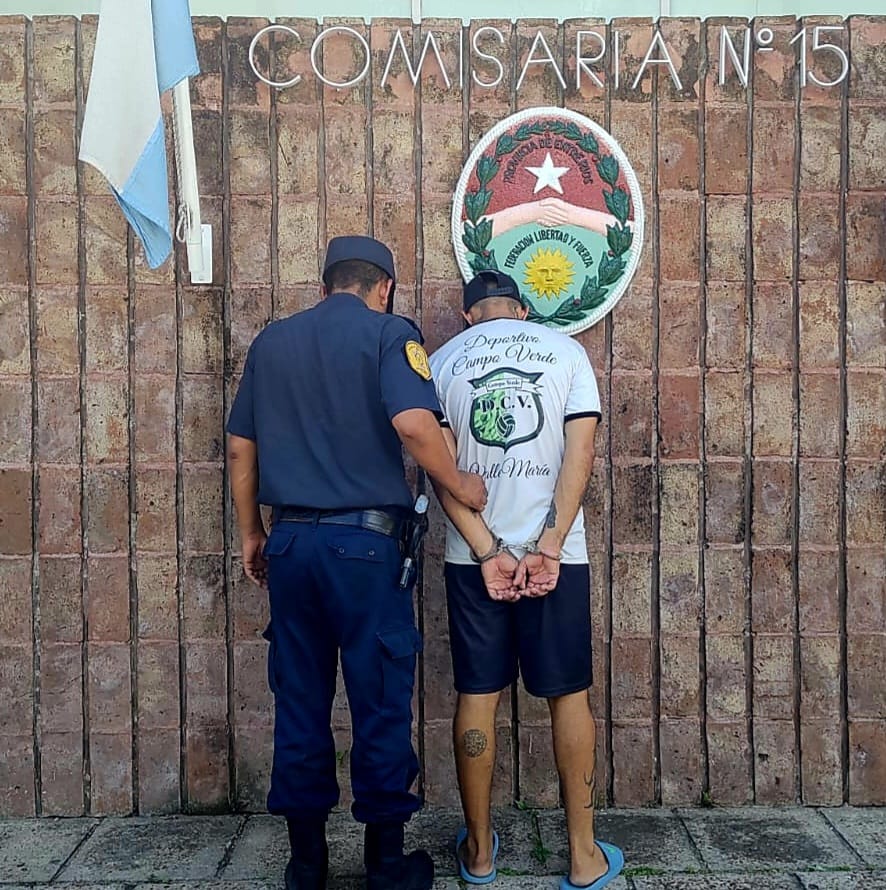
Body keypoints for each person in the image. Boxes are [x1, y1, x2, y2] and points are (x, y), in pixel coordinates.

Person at [226, 235, 487, 890]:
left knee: (301, 700)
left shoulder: (271, 344)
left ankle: (306, 865)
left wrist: (251, 534)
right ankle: (385, 865)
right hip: (366, 553)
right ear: (384, 288)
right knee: (377, 700)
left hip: (289, 546)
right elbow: (413, 425)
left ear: (323, 287)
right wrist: (460, 483)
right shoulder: (388, 334)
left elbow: (239, 451)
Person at [427, 270, 624, 890]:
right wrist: (548, 546)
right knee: (569, 695)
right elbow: (580, 453)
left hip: (472, 556)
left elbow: (440, 470)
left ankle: (481, 855)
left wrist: (488, 548)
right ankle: (583, 856)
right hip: (555, 556)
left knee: (477, 694)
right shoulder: (566, 352)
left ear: (469, 317)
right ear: (521, 310)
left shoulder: (440, 362)